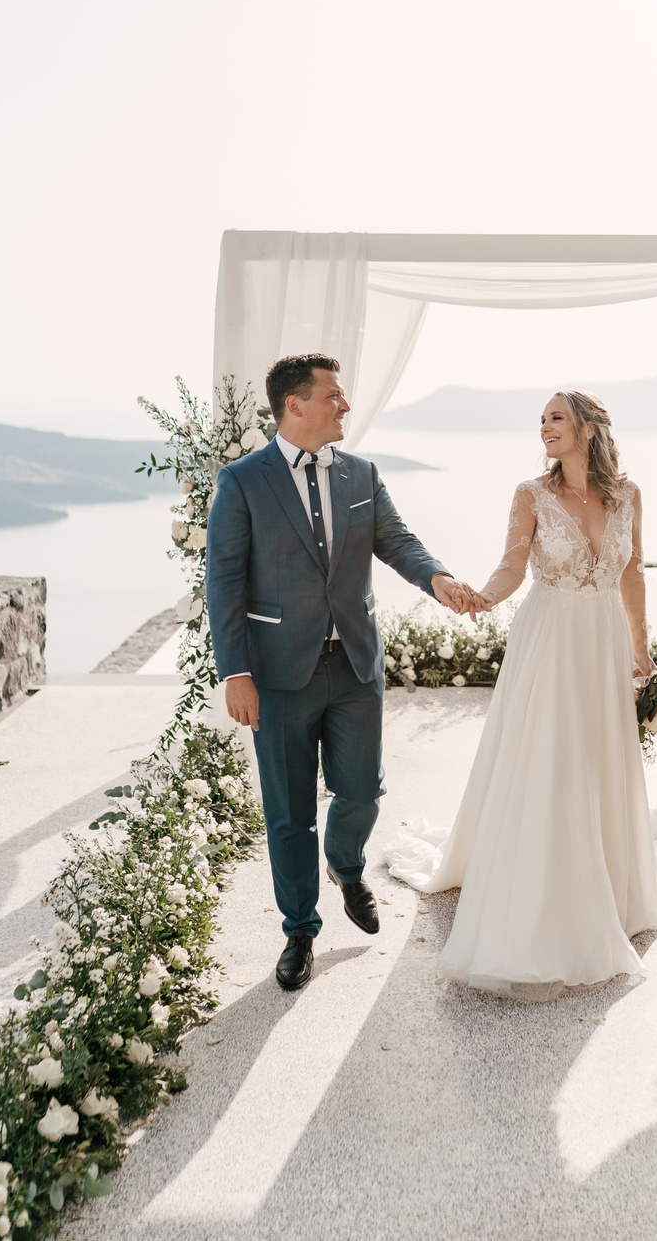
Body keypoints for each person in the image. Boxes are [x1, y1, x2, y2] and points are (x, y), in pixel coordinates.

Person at [384, 390, 657, 999]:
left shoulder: (628, 495)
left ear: (588, 430)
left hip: (601, 640)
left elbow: (632, 571)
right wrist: (483, 598)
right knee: (549, 754)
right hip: (548, 639)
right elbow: (513, 566)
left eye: (557, 418)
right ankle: (545, 884)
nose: (544, 427)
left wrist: (641, 649)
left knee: (596, 757)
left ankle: (605, 874)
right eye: (543, 419)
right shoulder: (531, 494)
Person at [206, 352, 475, 992]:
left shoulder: (362, 472)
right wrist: (234, 672)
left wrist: (439, 581)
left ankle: (346, 866)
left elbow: (398, 540)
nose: (345, 406)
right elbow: (223, 580)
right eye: (335, 395)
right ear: (294, 405)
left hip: (355, 664)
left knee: (362, 790)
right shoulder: (243, 481)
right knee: (289, 811)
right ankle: (300, 929)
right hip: (276, 674)